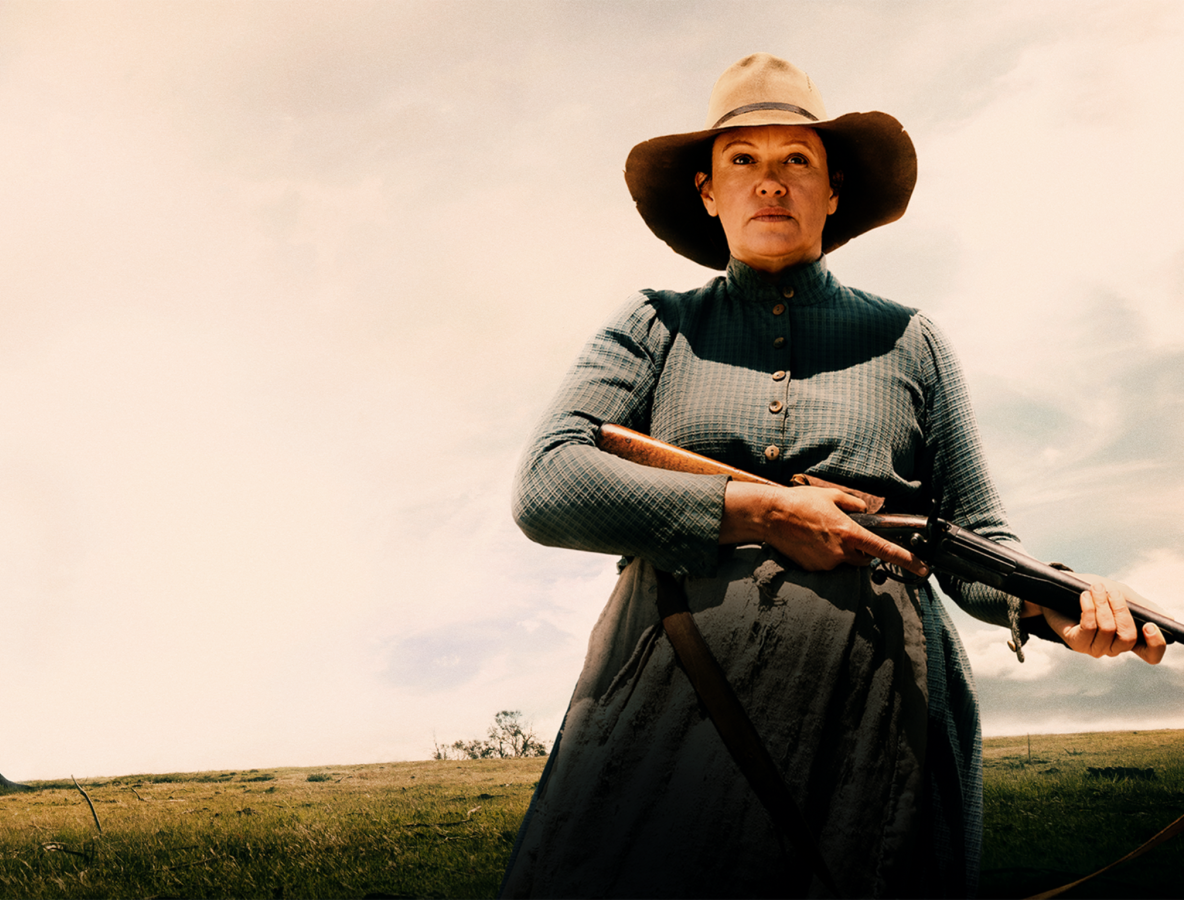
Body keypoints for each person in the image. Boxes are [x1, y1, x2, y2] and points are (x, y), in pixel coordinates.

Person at [500, 53, 1166, 899]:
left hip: (876, 722)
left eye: (797, 161)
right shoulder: (656, 325)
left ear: (834, 189)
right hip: (670, 710)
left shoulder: (909, 339)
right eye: (743, 160)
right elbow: (549, 483)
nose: (769, 182)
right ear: (708, 191)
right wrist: (761, 511)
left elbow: (975, 541)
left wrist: (1056, 605)